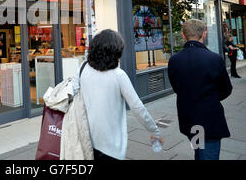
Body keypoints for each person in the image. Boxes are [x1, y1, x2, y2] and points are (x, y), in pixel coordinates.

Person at [76, 29, 162, 160]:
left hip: (85, 140)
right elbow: (138, 107)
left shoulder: (82, 68)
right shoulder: (118, 75)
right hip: (111, 147)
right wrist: (154, 130)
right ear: (116, 52)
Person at [168, 19, 232, 160]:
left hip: (188, 118)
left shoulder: (174, 60)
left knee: (199, 151)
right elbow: (226, 89)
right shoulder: (214, 59)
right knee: (207, 154)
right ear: (204, 34)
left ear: (183, 36)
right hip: (209, 119)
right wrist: (210, 98)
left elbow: (176, 87)